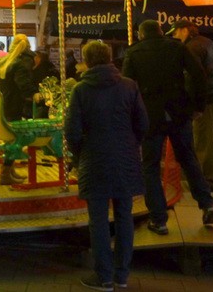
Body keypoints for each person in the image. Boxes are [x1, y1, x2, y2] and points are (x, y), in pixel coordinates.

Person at [122, 20, 213, 234]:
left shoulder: (134, 52)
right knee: (189, 159)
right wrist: (198, 105)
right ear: (161, 32)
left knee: (150, 166)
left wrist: (130, 115)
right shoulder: (177, 47)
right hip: (179, 112)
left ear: (140, 35)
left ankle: (159, 219)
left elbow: (127, 86)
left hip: (150, 116)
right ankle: (207, 204)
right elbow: (199, 74)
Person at [66, 41, 148, 291]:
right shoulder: (129, 86)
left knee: (98, 220)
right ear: (110, 58)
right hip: (125, 158)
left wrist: (80, 155)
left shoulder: (81, 90)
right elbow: (143, 124)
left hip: (94, 158)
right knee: (124, 216)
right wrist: (130, 144)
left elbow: (72, 131)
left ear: (87, 61)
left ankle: (103, 276)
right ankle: (122, 275)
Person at [169, 19, 213, 192]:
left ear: (185, 30)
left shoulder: (192, 47)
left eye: (175, 32)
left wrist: (196, 105)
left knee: (205, 141)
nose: (175, 36)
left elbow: (194, 77)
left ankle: (211, 181)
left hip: (208, 99)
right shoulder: (207, 42)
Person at [0, 34, 38, 184]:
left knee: (11, 139)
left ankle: (9, 170)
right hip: (14, 105)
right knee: (15, 139)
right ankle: (5, 174)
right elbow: (23, 83)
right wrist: (34, 94)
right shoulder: (20, 63)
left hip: (3, 105)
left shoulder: (3, 62)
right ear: (27, 47)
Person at [30, 50, 59, 118]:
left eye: (33, 57)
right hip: (54, 100)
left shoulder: (40, 70)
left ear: (38, 58)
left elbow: (38, 84)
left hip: (44, 101)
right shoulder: (50, 66)